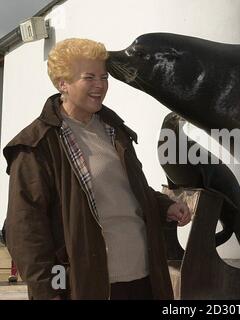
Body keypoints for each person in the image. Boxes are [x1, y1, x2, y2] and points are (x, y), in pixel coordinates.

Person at [3, 38, 191, 300]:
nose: (100, 85)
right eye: (89, 77)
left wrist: (163, 205)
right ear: (62, 83)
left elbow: (124, 190)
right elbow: (24, 232)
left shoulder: (114, 129)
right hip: (91, 287)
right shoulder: (36, 145)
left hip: (145, 278)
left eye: (103, 77)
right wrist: (50, 293)